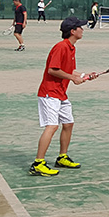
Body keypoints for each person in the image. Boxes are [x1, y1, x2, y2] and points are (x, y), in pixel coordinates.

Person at [29, 16, 89, 177]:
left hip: (61, 93)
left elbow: (70, 72)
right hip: (49, 93)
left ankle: (62, 157)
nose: (83, 30)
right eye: (80, 28)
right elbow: (52, 70)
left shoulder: (71, 48)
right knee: (52, 126)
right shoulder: (61, 47)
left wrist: (84, 75)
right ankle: (38, 163)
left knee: (68, 123)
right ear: (73, 31)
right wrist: (72, 78)